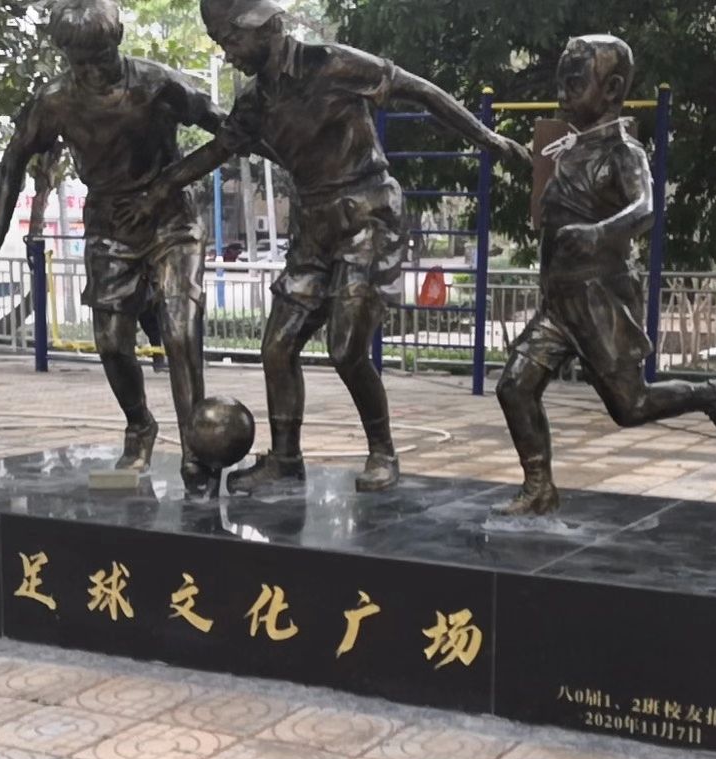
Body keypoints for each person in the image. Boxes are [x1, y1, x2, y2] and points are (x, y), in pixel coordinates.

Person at [128, 0, 533, 493]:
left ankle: (382, 451)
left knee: (346, 348)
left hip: (368, 216)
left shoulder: (333, 64)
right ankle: (285, 461)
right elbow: (217, 150)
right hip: (313, 228)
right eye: (221, 44)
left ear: (265, 27)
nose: (228, 54)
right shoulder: (255, 101)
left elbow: (421, 91)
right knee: (277, 347)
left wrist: (489, 139)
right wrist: (160, 189)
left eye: (232, 41)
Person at [0, 0, 224, 493]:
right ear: (64, 55)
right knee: (109, 341)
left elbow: (229, 130)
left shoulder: (158, 84)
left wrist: (167, 186)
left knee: (178, 330)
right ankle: (139, 426)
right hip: (110, 225)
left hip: (171, 218)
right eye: (79, 62)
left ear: (119, 39)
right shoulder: (55, 101)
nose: (91, 72)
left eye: (100, 58)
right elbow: (13, 160)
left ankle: (196, 449)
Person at [492, 35, 716, 517]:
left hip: (599, 301)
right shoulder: (568, 148)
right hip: (558, 304)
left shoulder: (624, 152)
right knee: (514, 386)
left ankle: (712, 393)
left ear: (611, 90)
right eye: (560, 84)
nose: (562, 95)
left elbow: (646, 209)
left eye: (574, 84)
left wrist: (598, 234)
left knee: (630, 407)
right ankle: (539, 487)